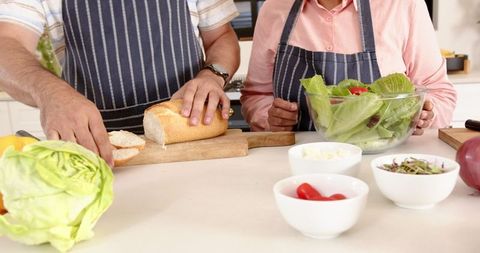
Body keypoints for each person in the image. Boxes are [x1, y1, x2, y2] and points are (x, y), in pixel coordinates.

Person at [0, 0, 240, 166]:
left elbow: (221, 36)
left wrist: (211, 75)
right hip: (100, 157)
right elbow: (6, 44)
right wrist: (49, 92)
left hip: (194, 143)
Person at [241, 0, 457, 134]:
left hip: (382, 163)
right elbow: (256, 95)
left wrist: (425, 114)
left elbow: (439, 92)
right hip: (298, 163)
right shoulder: (275, 8)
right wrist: (270, 120)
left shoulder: (403, 5)